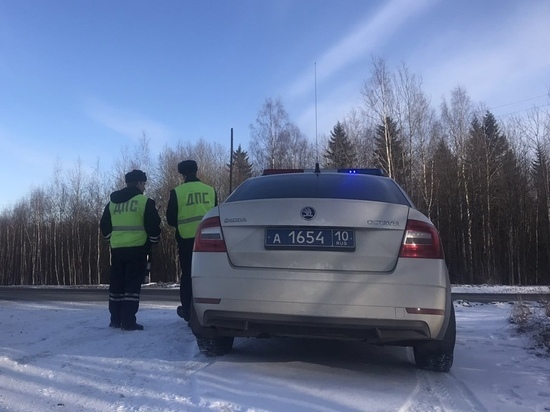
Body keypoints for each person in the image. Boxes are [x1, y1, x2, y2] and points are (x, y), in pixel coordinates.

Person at [100, 169, 161, 331]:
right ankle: (128, 321)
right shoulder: (144, 202)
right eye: (144, 184)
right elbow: (153, 226)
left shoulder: (112, 203)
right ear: (139, 183)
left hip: (117, 249)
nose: (144, 187)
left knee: (117, 286)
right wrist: (153, 241)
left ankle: (115, 319)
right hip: (137, 249)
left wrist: (111, 239)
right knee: (131, 287)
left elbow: (104, 226)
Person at [166, 160, 217, 322]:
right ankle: (207, 309)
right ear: (196, 171)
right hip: (208, 240)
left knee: (188, 275)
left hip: (186, 240)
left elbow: (171, 219)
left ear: (182, 174)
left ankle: (188, 311)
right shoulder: (210, 190)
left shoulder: (177, 192)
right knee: (207, 275)